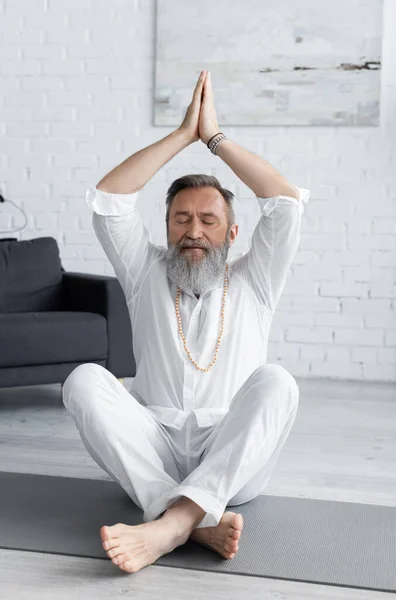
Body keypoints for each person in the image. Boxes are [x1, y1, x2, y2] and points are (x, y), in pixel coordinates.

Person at [62, 70, 310, 574]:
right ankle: (193, 517)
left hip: (233, 455)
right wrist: (182, 135)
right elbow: (109, 201)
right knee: (83, 379)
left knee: (278, 382)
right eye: (181, 219)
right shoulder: (145, 269)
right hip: (153, 450)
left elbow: (284, 204)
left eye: (208, 220)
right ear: (167, 225)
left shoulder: (256, 278)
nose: (193, 231)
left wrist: (213, 138)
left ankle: (169, 525)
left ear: (233, 231)